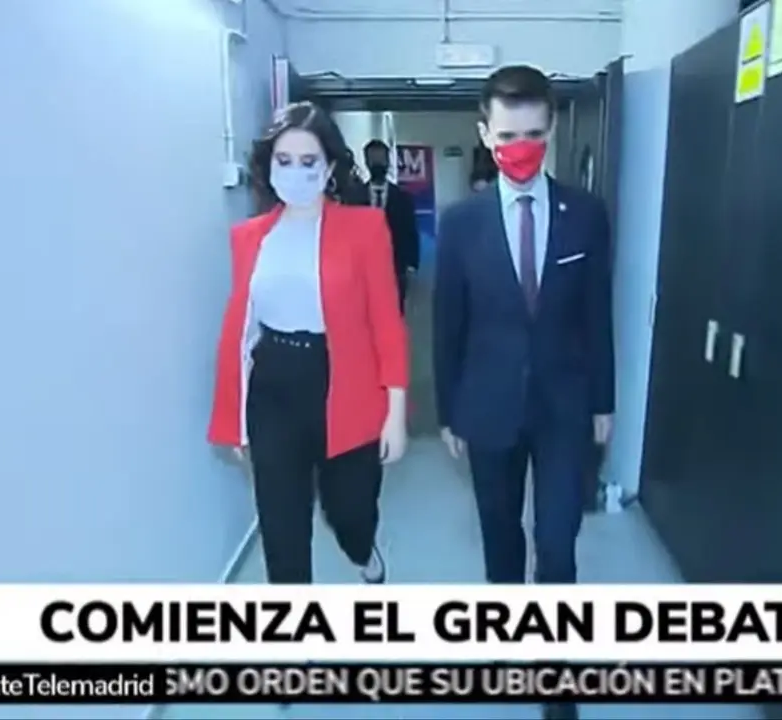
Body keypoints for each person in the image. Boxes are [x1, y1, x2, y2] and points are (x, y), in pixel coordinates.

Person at [432, 65, 614, 720]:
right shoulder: (461, 224)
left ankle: (557, 685)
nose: (521, 147)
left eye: (533, 133)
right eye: (508, 135)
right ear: (485, 132)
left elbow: (597, 315)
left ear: (552, 128)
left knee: (558, 544)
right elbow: (447, 324)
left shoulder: (585, 215)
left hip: (565, 407)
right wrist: (448, 411)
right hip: (487, 405)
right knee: (501, 536)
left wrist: (604, 402)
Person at [208, 101, 409, 585]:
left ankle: (364, 552)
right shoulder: (249, 237)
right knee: (282, 528)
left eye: (308, 161)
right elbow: (242, 328)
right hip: (274, 385)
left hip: (345, 382)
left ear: (329, 166)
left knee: (351, 513)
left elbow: (386, 322)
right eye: (284, 161)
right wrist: (233, 418)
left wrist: (395, 413)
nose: (295, 172)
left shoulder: (364, 229)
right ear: (268, 165)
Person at [360, 140, 420, 313]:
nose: (377, 164)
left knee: (393, 312)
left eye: (381, 159)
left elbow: (410, 231)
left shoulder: (403, 198)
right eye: (373, 159)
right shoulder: (355, 196)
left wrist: (411, 264)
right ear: (366, 162)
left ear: (388, 161)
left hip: (395, 267)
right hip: (363, 269)